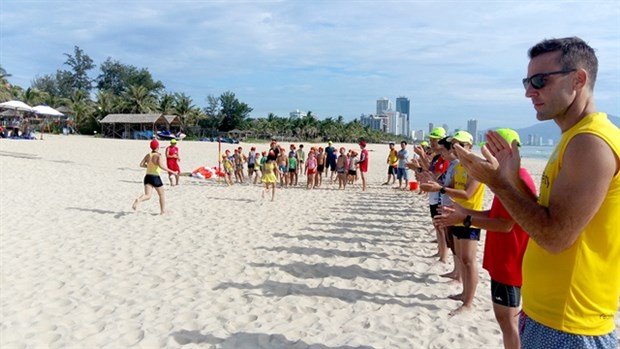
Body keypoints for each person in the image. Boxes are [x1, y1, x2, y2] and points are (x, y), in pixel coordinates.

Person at [454, 37, 619, 348]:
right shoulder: (574, 138)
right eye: (527, 81)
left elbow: (555, 236)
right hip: (547, 315)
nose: (529, 91)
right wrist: (511, 178)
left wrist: (497, 183)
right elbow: (545, 217)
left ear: (578, 79)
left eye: (539, 81)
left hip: (570, 324)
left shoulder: (591, 143)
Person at [435, 129, 535, 349]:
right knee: (505, 321)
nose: (488, 157)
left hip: (509, 263)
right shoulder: (506, 180)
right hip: (501, 260)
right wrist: (461, 212)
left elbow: (506, 225)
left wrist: (466, 218)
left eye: (493, 152)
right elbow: (496, 214)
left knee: (508, 321)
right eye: (488, 151)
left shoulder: (519, 180)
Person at [421, 130, 485, 316]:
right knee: (460, 256)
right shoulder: (457, 167)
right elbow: (451, 189)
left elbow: (467, 194)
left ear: (470, 147)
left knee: (469, 259)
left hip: (470, 217)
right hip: (455, 214)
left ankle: (469, 301)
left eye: (461, 145)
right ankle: (464, 293)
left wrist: (440, 188)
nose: (457, 148)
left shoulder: (475, 167)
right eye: (454, 144)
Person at [132, 139, 177, 215]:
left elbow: (141, 164)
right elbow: (162, 166)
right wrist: (173, 172)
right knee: (162, 194)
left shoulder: (148, 155)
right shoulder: (158, 155)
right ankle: (162, 211)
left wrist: (149, 166)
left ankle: (139, 200)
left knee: (148, 195)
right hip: (155, 177)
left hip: (147, 177)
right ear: (158, 147)